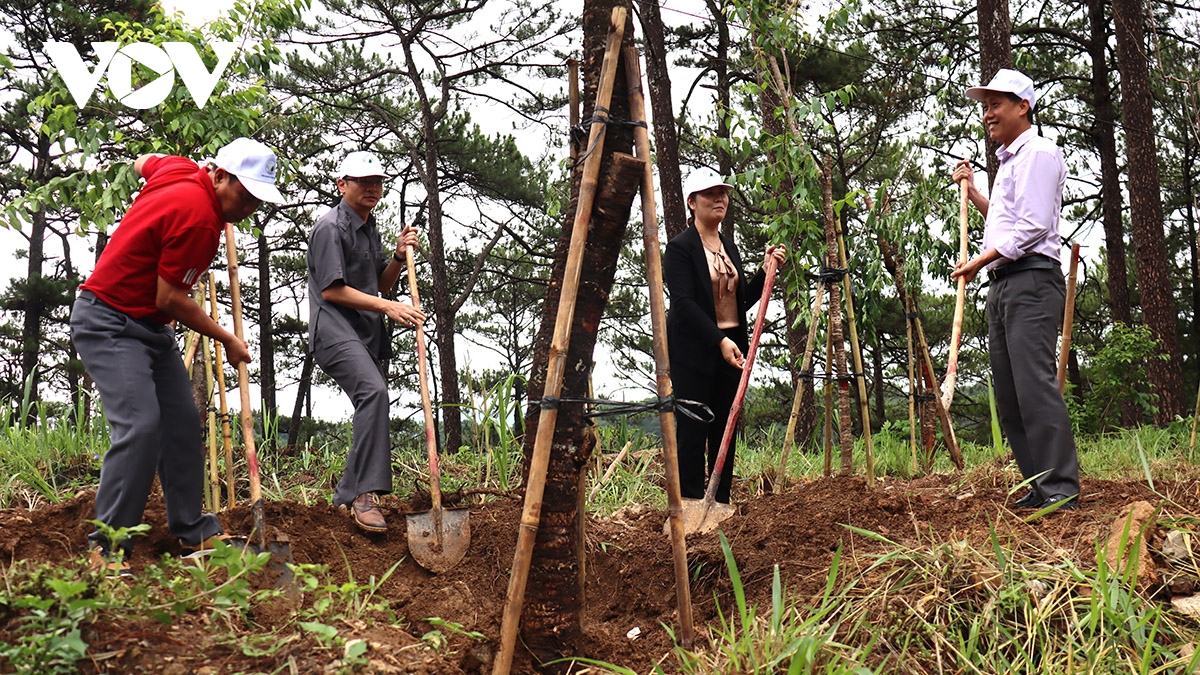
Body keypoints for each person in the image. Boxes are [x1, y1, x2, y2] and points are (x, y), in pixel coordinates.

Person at [71, 137, 286, 577]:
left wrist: (147, 220)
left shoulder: (181, 168)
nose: (246, 209)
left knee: (182, 422)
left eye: (256, 201)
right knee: (140, 426)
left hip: (148, 328)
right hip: (109, 322)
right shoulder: (200, 222)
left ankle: (192, 529)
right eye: (243, 196)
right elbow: (170, 298)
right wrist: (227, 338)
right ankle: (107, 548)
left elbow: (141, 162)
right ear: (220, 175)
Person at [951, 68, 1080, 511]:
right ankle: (1040, 487)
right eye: (984, 107)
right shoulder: (1008, 161)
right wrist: (974, 196)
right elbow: (1004, 223)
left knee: (1033, 386)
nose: (987, 114)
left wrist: (976, 262)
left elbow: (1034, 226)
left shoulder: (1040, 153)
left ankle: (1062, 490)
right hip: (1003, 283)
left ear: (1022, 106)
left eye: (995, 105)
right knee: (1009, 395)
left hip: (1031, 280)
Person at [307, 150, 425, 533]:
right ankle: (361, 495)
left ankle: (354, 491)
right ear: (342, 185)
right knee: (375, 392)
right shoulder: (330, 228)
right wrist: (389, 307)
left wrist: (396, 256)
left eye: (377, 181)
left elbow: (380, 284)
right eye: (363, 181)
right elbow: (333, 291)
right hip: (334, 329)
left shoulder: (369, 227)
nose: (372, 188)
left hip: (362, 334)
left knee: (373, 396)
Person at [664, 168, 786, 504]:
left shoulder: (728, 247)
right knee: (693, 427)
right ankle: (689, 504)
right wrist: (718, 340)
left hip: (731, 351)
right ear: (692, 202)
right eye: (710, 194)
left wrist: (765, 271)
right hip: (696, 351)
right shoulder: (680, 248)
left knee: (725, 429)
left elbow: (739, 302)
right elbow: (684, 304)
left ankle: (720, 501)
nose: (719, 199)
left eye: (723, 193)